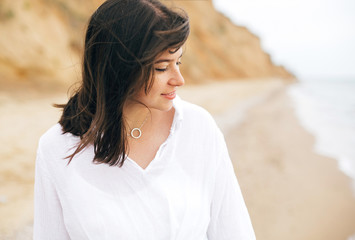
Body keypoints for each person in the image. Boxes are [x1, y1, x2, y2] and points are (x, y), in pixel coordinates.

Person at [33, 0, 256, 239]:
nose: (179, 79)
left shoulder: (199, 128)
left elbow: (233, 230)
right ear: (119, 68)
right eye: (162, 67)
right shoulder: (57, 148)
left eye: (178, 62)